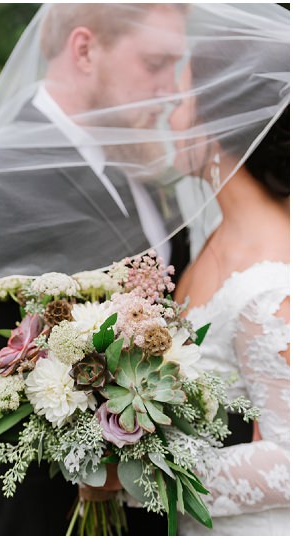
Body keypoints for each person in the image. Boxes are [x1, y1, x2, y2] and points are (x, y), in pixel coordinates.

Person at [0, 3, 190, 535]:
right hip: (49, 513)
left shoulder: (142, 164)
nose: (172, 87)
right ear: (84, 49)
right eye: (155, 62)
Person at [168, 20, 290, 535]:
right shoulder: (213, 238)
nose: (169, 120)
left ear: (218, 118)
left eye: (179, 100)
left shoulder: (272, 280)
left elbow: (287, 462)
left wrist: (139, 477)